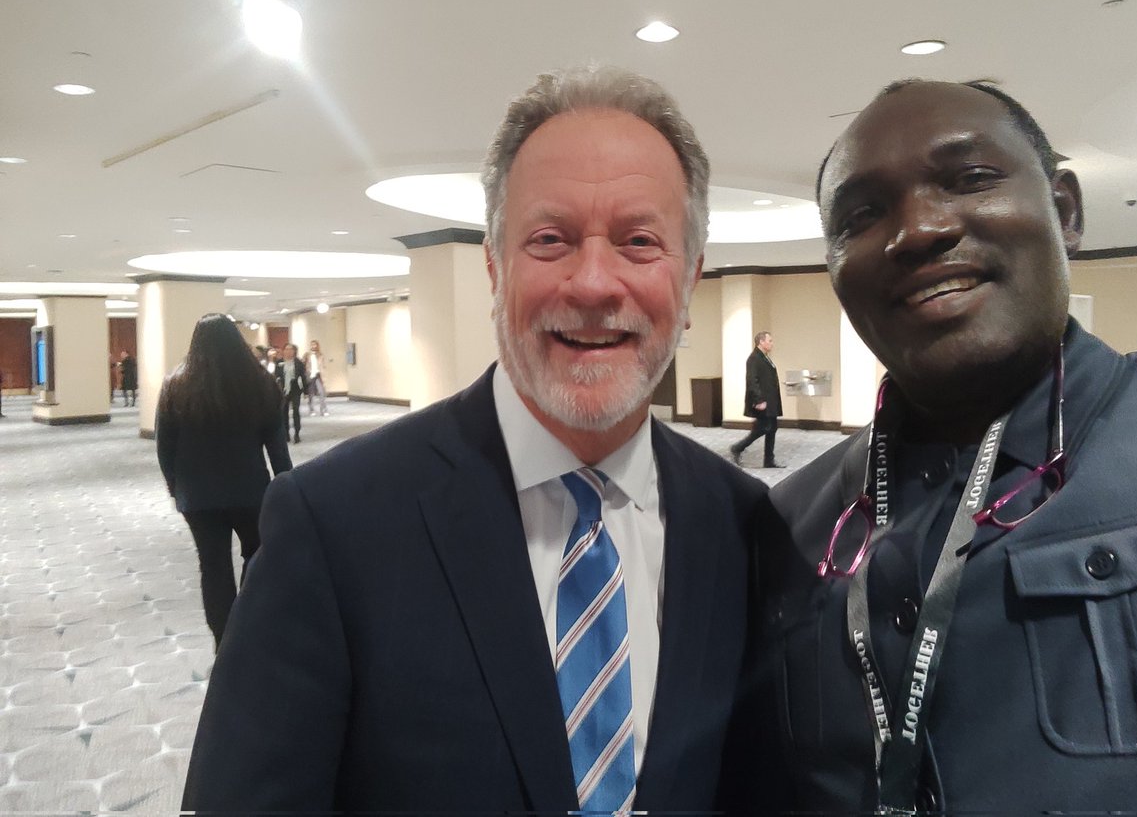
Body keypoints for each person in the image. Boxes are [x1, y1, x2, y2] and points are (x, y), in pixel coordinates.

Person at [182, 65, 767, 813]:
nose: (593, 284)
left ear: (689, 282)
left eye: (640, 241)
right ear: (495, 267)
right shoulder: (332, 524)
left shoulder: (743, 525)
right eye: (550, 240)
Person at [751, 79, 1137, 813]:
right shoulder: (790, 524)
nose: (918, 230)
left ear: (1065, 211)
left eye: (970, 180)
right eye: (862, 215)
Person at [155, 314, 291, 649]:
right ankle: (249, 623)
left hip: (198, 497)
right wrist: (287, 491)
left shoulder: (175, 385)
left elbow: (164, 449)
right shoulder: (260, 383)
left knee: (212, 565)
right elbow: (278, 450)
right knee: (256, 558)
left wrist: (176, 489)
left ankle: (223, 640)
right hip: (250, 492)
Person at [729, 331, 784, 468]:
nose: (772, 343)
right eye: (769, 340)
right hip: (762, 402)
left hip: (770, 401)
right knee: (762, 428)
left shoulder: (765, 358)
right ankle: (737, 448)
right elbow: (752, 381)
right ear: (761, 342)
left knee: (772, 428)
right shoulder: (754, 358)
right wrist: (759, 400)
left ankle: (769, 460)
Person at [275, 342, 306, 443]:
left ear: (294, 351)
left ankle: (297, 433)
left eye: (291, 349)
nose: (288, 351)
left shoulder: (298, 363)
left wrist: (305, 390)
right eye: (286, 349)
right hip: (283, 390)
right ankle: (286, 434)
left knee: (296, 411)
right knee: (284, 412)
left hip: (295, 388)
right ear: (283, 351)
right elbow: (276, 376)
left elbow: (303, 376)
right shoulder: (279, 362)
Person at [305, 339, 328, 416]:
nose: (313, 346)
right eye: (312, 344)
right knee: (311, 394)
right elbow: (305, 365)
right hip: (311, 375)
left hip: (318, 375)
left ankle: (323, 410)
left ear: (317, 346)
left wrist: (324, 377)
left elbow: (323, 366)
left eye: (315, 344)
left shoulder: (320, 355)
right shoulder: (307, 355)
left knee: (321, 392)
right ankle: (312, 410)